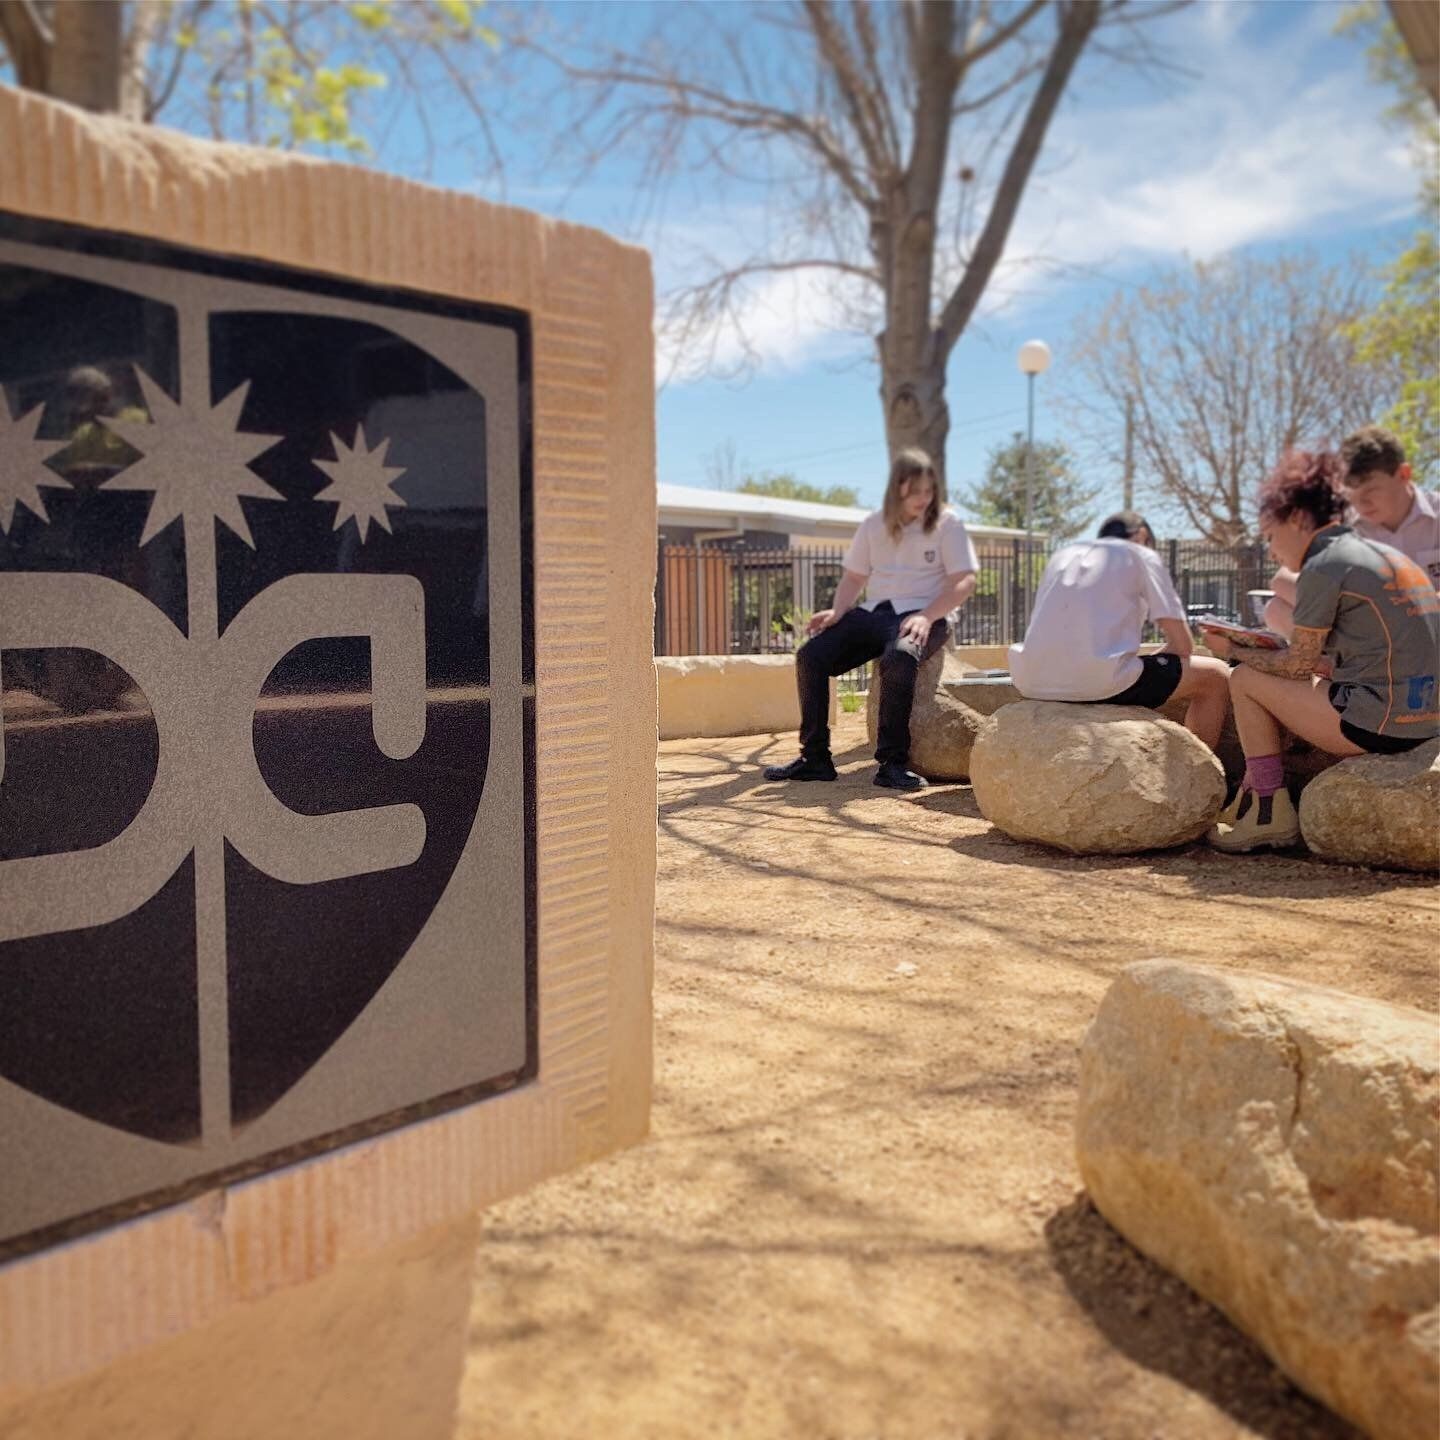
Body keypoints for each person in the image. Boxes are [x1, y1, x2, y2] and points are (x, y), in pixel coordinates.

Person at [1206, 449, 1440, 853]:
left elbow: (1297, 666)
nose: (1271, 551)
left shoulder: (1325, 565)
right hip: (1426, 717)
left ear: (1297, 518)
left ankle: (1267, 812)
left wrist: (1234, 651)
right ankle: (1250, 796)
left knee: (1244, 681)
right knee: (1273, 675)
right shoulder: (1384, 555)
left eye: (1269, 536)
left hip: (1382, 725)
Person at [762, 448, 977, 792]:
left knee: (899, 657)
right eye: (916, 490)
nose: (924, 498)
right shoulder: (873, 524)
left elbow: (965, 580)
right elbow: (853, 578)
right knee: (811, 655)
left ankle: (892, 764)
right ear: (898, 487)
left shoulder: (947, 525)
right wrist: (837, 611)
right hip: (876, 612)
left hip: (925, 613)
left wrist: (927, 616)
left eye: (929, 491)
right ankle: (815, 758)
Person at [1007, 511, 1230, 749]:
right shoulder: (1140, 555)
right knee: (1215, 674)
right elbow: (1183, 646)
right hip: (1100, 682)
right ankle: (1199, 772)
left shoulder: (1063, 555)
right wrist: (1154, 661)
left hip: (1030, 678)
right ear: (1142, 535)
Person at [1264, 426, 1439, 637]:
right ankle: (1336, 666)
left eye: (1371, 489)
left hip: (1430, 632)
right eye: (1352, 494)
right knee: (1276, 609)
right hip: (1371, 634)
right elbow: (1284, 578)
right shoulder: (1345, 525)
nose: (1361, 503)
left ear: (1404, 474)